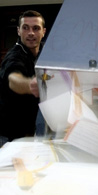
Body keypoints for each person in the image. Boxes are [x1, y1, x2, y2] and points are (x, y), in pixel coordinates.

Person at [0, 10, 46, 146]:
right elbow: (13, 79)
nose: (31, 33)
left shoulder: (45, 53)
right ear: (19, 31)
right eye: (25, 28)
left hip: (30, 132)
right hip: (7, 136)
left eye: (36, 28)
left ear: (43, 31)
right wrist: (29, 85)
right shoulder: (14, 55)